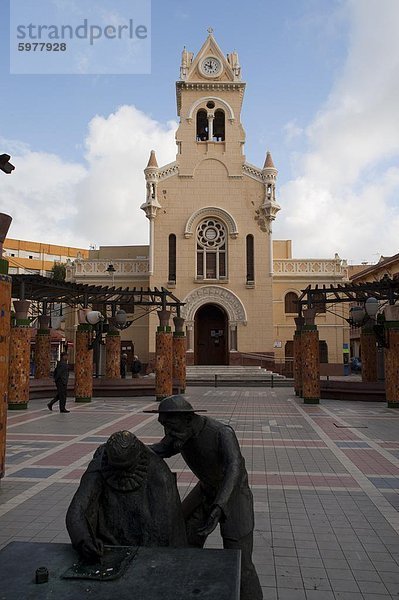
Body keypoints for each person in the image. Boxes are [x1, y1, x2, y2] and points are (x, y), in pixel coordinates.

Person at [146, 395, 263, 600]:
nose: (168, 433)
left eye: (170, 426)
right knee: (182, 539)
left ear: (188, 419)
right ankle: (188, 589)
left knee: (241, 561)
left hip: (233, 495)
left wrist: (220, 505)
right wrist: (131, 448)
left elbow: (234, 469)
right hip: (206, 491)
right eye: (164, 426)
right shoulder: (180, 433)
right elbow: (161, 449)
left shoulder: (221, 433)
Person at [66, 430, 187, 561]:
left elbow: (165, 527)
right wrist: (84, 540)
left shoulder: (159, 473)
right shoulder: (101, 463)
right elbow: (77, 509)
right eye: (116, 467)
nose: (121, 473)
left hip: (148, 547)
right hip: (110, 546)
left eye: (126, 467)